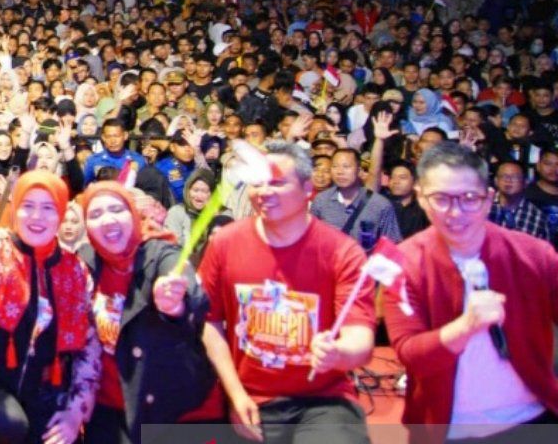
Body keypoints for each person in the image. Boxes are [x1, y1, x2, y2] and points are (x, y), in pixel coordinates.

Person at [198, 141, 376, 444]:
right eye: (257, 183)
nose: (264, 192)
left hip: (324, 398)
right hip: (251, 397)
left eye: (278, 182)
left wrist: (339, 353)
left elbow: (361, 341)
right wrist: (235, 394)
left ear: (308, 188)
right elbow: (209, 322)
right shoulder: (225, 243)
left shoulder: (341, 251)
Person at [383, 143, 558, 440]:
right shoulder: (403, 263)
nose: (455, 212)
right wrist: (465, 327)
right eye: (441, 199)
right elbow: (410, 354)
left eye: (469, 198)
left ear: (489, 199)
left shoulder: (534, 254)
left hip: (531, 417)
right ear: (422, 199)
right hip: (446, 426)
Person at [0, 167, 100, 444]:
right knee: (7, 425)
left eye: (48, 207)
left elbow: (88, 353)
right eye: (28, 206)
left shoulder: (76, 271)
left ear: (62, 214)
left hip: (46, 389)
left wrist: (75, 414)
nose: (37, 216)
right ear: (15, 209)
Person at [79, 180, 216, 442]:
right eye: (95, 214)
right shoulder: (86, 259)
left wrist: (175, 302)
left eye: (117, 209)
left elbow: (190, 292)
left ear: (133, 214)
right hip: (105, 409)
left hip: (163, 409)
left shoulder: (159, 251)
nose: (107, 220)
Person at [310, 148, 402, 252]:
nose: (340, 172)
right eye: (335, 166)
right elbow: (311, 239)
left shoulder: (380, 204)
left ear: (359, 170)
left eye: (346, 167)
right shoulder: (321, 200)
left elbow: (392, 245)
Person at [487, 160, 551, 242]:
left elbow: (543, 252)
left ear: (526, 182)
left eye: (515, 177)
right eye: (504, 176)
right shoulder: (483, 207)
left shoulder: (538, 218)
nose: (508, 180)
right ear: (496, 181)